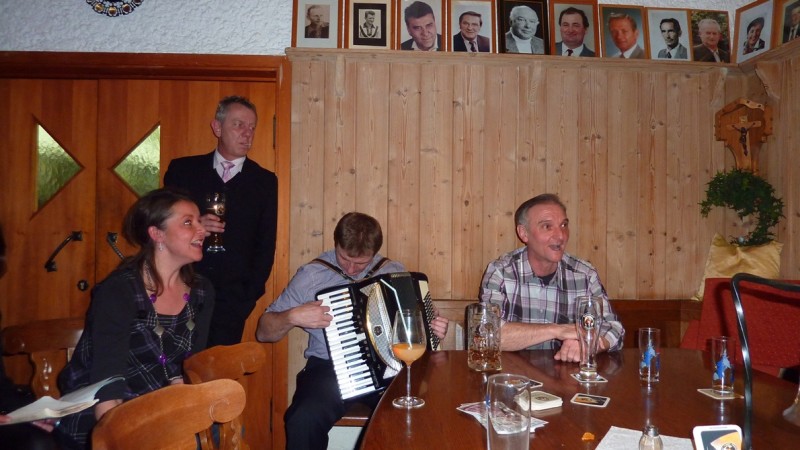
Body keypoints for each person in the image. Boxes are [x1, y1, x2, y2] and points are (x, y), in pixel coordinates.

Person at [256, 212, 449, 450]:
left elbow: (415, 328)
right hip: (329, 369)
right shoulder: (311, 275)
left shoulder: (393, 271)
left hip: (388, 367)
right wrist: (291, 316)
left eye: (361, 263)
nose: (351, 269)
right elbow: (263, 332)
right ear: (336, 243)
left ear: (375, 253)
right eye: (344, 258)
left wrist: (432, 329)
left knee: (417, 414)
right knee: (303, 419)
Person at [54, 188, 215, 449]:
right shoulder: (120, 290)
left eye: (199, 221)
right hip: (105, 410)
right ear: (157, 234)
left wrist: (185, 397)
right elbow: (107, 384)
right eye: (188, 222)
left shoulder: (201, 291)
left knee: (215, 434)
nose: (202, 230)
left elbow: (193, 366)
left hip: (163, 406)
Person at [164, 95, 278, 347]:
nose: (247, 134)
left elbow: (265, 246)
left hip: (231, 304)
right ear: (217, 127)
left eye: (252, 127)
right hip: (180, 292)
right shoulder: (183, 171)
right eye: (239, 125)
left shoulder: (264, 181)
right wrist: (192, 225)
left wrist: (246, 299)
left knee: (217, 370)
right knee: (175, 367)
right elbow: (161, 226)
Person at [479, 194, 624, 361]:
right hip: (513, 374)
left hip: (566, 375)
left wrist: (590, 344)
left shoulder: (584, 274)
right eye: (547, 226)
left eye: (564, 225)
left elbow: (613, 328)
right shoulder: (501, 272)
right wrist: (557, 330)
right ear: (524, 233)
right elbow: (488, 335)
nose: (560, 236)